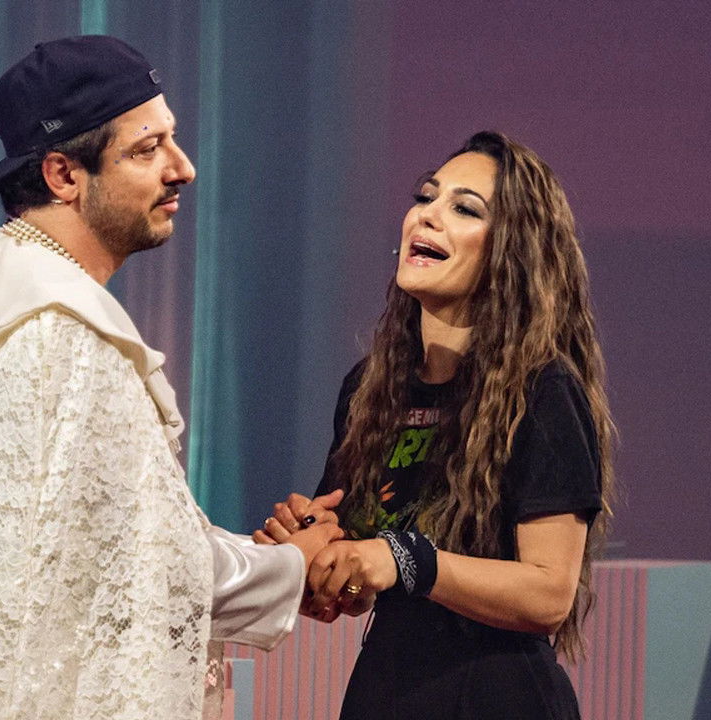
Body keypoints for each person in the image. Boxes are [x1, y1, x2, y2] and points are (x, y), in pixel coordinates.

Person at [0, 35, 341, 720]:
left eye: (172, 140)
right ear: (63, 174)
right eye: (147, 150)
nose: (183, 168)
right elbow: (148, 573)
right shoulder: (67, 332)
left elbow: (100, 545)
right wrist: (297, 565)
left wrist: (262, 556)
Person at [257, 131, 614, 719]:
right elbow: (358, 576)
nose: (427, 215)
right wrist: (312, 553)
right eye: (426, 197)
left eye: (464, 209)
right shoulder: (368, 389)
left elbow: (550, 593)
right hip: (385, 693)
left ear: (511, 253)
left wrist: (406, 559)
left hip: (497, 699)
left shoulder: (542, 391)